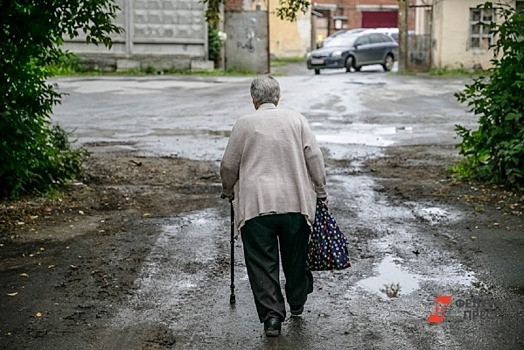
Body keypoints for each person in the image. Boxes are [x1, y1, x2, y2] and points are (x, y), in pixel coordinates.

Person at [220, 75, 327, 337]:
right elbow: (314, 156)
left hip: (257, 207)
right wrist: (321, 192)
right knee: (295, 256)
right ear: (278, 98)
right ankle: (298, 300)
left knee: (261, 262)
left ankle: (272, 318)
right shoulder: (296, 120)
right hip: (295, 204)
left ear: (253, 99)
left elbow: (228, 166)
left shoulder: (244, 124)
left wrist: (227, 190)